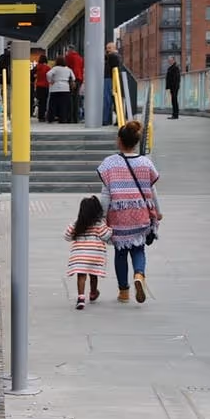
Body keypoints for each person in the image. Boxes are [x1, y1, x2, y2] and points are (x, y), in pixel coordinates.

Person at [97, 121, 162, 304]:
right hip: (140, 213)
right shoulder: (145, 163)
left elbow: (105, 194)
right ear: (135, 142)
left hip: (119, 216)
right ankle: (139, 275)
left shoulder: (109, 164)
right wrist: (158, 211)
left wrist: (102, 216)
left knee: (120, 253)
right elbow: (153, 190)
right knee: (138, 248)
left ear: (119, 141)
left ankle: (124, 291)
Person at [64, 196, 113, 310]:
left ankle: (81, 298)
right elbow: (106, 235)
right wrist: (110, 228)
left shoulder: (78, 224)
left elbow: (67, 235)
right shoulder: (98, 224)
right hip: (95, 255)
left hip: (79, 255)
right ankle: (93, 293)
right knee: (93, 274)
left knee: (81, 276)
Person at [46, 56, 76, 123]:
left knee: (53, 104)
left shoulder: (55, 68)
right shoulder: (68, 69)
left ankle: (51, 118)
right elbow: (73, 78)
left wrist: (50, 81)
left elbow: (48, 74)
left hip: (55, 87)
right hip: (65, 88)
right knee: (64, 105)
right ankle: (63, 118)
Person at [65, 44, 84, 122]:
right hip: (79, 78)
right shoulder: (80, 58)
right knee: (76, 98)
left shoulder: (68, 57)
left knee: (70, 99)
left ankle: (70, 118)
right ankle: (76, 118)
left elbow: (66, 67)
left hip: (71, 79)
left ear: (69, 50)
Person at [103, 42, 120, 126]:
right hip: (111, 79)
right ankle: (115, 119)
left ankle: (105, 119)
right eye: (107, 48)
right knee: (113, 99)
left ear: (114, 48)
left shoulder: (112, 56)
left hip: (108, 79)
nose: (107, 50)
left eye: (109, 48)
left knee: (107, 100)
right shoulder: (116, 56)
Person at [34, 55, 51, 123]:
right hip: (46, 86)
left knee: (40, 101)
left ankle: (40, 116)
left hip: (38, 86)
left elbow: (32, 73)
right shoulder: (47, 68)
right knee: (44, 102)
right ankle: (43, 116)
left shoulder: (37, 67)